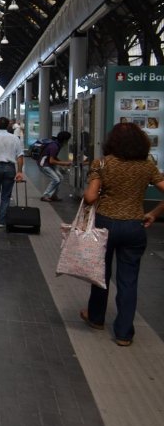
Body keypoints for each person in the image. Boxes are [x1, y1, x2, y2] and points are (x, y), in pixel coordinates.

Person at [81, 122, 164, 347]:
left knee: (101, 274)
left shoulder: (102, 163)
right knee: (128, 280)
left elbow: (90, 197)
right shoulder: (147, 166)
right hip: (134, 226)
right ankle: (124, 333)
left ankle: (96, 317)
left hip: (105, 225)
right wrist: (154, 213)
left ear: (112, 142)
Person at [38, 130, 73, 202]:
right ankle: (46, 196)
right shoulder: (54, 146)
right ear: (64, 140)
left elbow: (53, 157)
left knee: (60, 178)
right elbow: (51, 160)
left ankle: (53, 195)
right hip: (44, 165)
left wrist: (63, 162)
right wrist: (63, 163)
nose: (68, 141)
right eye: (68, 140)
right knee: (56, 179)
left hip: (48, 164)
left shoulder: (57, 144)